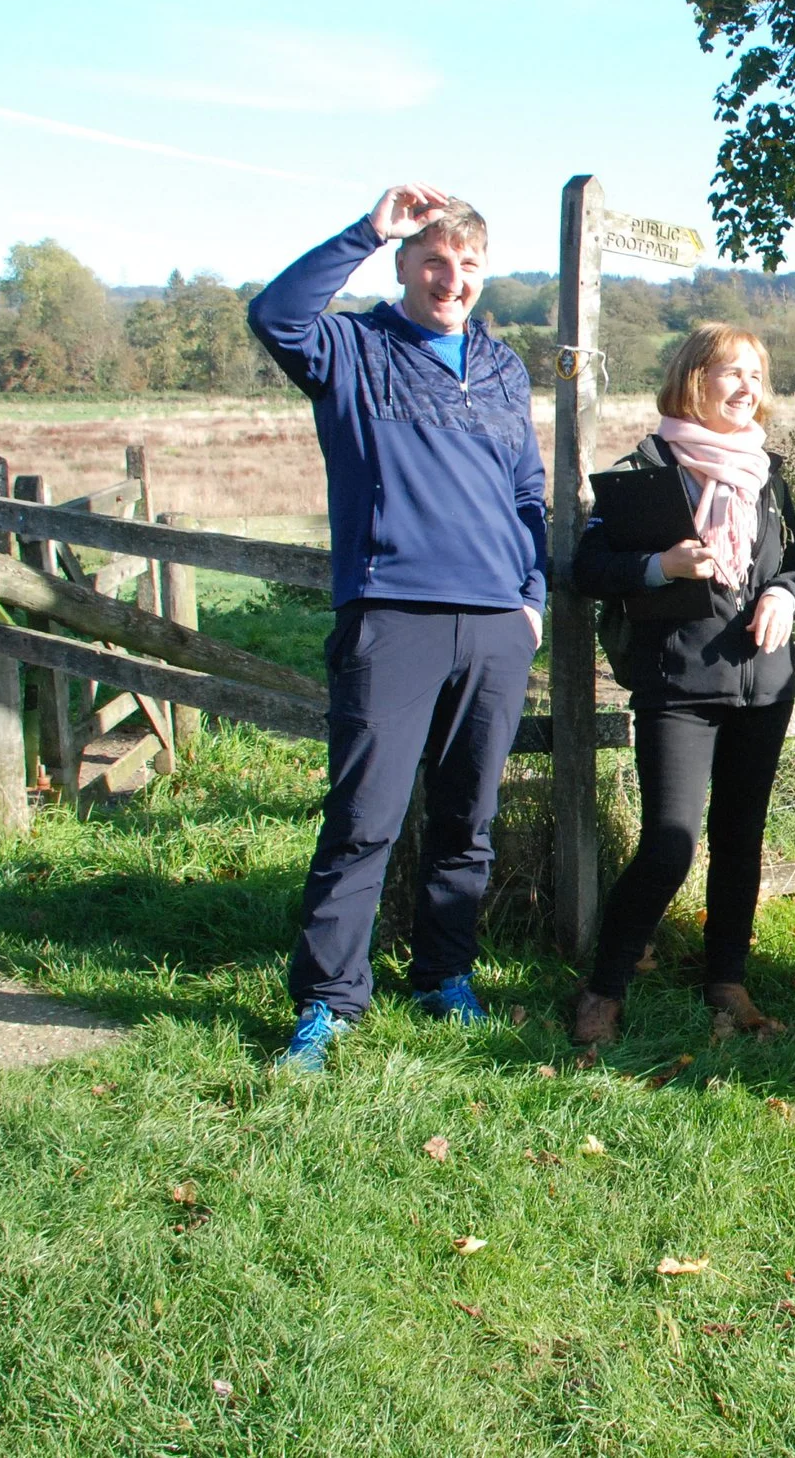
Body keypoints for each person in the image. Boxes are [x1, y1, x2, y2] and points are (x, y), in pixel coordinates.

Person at [247, 185, 547, 1073]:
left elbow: (527, 490)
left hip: (495, 625)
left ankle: (444, 977)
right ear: (404, 266)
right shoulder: (353, 349)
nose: (451, 279)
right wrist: (368, 230)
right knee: (363, 820)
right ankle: (329, 1003)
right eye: (433, 261)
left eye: (467, 264)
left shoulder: (503, 367)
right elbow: (275, 315)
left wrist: (530, 600)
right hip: (391, 615)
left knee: (468, 820)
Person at [566, 324, 795, 1049]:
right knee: (669, 844)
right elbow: (589, 567)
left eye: (755, 375)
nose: (746, 387)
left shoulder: (766, 474)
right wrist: (661, 567)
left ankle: (726, 982)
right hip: (679, 683)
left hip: (763, 686)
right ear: (693, 379)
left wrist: (784, 596)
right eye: (731, 372)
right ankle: (604, 987)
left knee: (740, 840)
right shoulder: (646, 469)